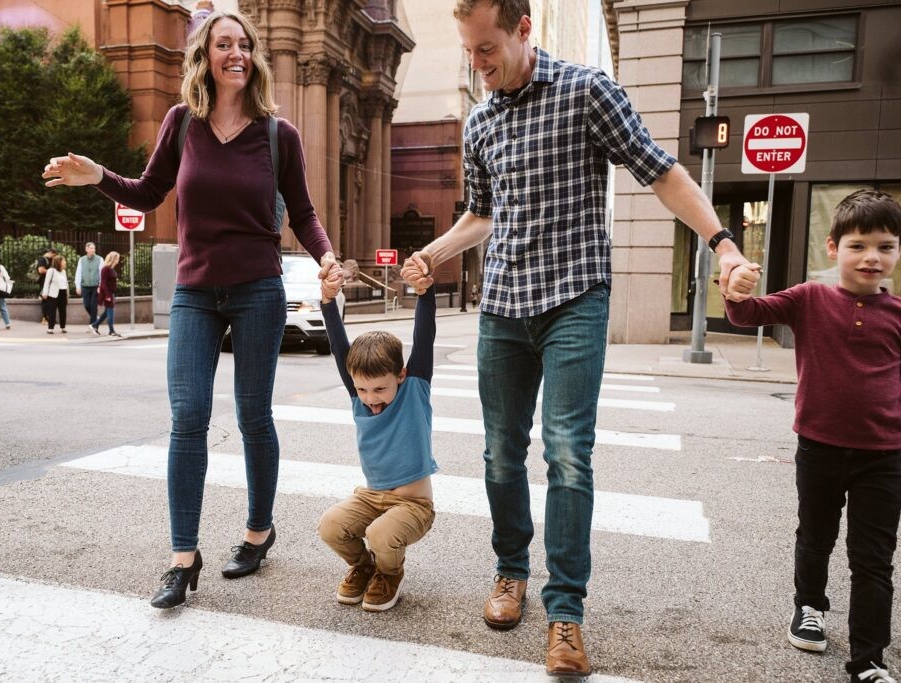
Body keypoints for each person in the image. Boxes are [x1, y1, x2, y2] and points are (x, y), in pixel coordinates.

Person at [400, 0, 753, 676]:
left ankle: (566, 611)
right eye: (469, 50)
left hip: (574, 300)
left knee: (567, 452)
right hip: (503, 306)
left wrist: (723, 245)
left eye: (486, 48)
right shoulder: (480, 123)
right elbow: (481, 213)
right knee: (501, 452)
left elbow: (662, 171)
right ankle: (510, 570)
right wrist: (435, 253)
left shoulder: (587, 92)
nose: (477, 64)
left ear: (523, 28)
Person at [42, 9, 337, 608]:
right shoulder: (182, 122)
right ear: (204, 54)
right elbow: (148, 192)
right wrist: (95, 174)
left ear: (253, 58)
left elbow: (302, 212)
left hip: (258, 290)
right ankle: (183, 556)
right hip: (196, 294)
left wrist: (326, 256)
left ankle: (258, 532)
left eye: (244, 45)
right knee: (188, 417)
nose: (236, 53)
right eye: (223, 43)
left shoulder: (279, 135)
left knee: (254, 416)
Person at [724, 189, 900, 683]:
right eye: (859, 245)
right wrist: (735, 286)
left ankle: (868, 659)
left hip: (885, 455)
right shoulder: (810, 298)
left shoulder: (898, 313)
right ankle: (809, 608)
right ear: (832, 248)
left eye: (885, 246)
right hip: (819, 446)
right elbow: (746, 314)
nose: (872, 257)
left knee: (874, 559)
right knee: (816, 537)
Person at [316, 270, 437, 613]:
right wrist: (327, 302)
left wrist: (424, 293)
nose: (370, 398)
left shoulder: (413, 390)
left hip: (413, 505)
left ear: (400, 376)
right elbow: (340, 348)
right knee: (331, 525)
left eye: (380, 388)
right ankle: (364, 565)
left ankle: (389, 573)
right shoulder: (359, 397)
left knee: (382, 534)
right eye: (363, 389)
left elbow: (424, 337)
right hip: (370, 497)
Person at [92, 251, 121, 337]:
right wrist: (107, 295)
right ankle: (111, 331)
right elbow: (103, 284)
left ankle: (95, 325)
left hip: (110, 293)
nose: (118, 260)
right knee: (110, 312)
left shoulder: (111, 269)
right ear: (113, 259)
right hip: (107, 293)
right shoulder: (105, 269)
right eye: (117, 258)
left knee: (107, 312)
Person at [75, 242, 103, 330]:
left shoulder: (100, 259)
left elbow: (102, 273)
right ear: (86, 249)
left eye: (94, 248)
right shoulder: (82, 260)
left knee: (93, 306)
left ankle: (93, 325)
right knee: (87, 305)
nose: (93, 250)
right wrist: (78, 286)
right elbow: (78, 273)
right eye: (91, 248)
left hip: (95, 286)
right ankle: (95, 318)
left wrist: (100, 286)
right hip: (85, 286)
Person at [41, 255, 69, 334]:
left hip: (63, 292)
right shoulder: (51, 270)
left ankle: (63, 327)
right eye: (63, 261)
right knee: (52, 311)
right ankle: (50, 328)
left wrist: (67, 294)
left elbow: (66, 283)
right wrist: (45, 293)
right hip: (53, 293)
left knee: (63, 311)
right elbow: (47, 282)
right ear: (58, 262)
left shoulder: (63, 271)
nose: (65, 262)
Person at [36, 247, 58, 324]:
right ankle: (45, 318)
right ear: (51, 253)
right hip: (44, 282)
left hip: (50, 282)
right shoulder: (42, 259)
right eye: (54, 255)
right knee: (45, 300)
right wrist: (51, 271)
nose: (54, 257)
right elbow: (41, 270)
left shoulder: (50, 260)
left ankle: (49, 318)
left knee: (50, 300)